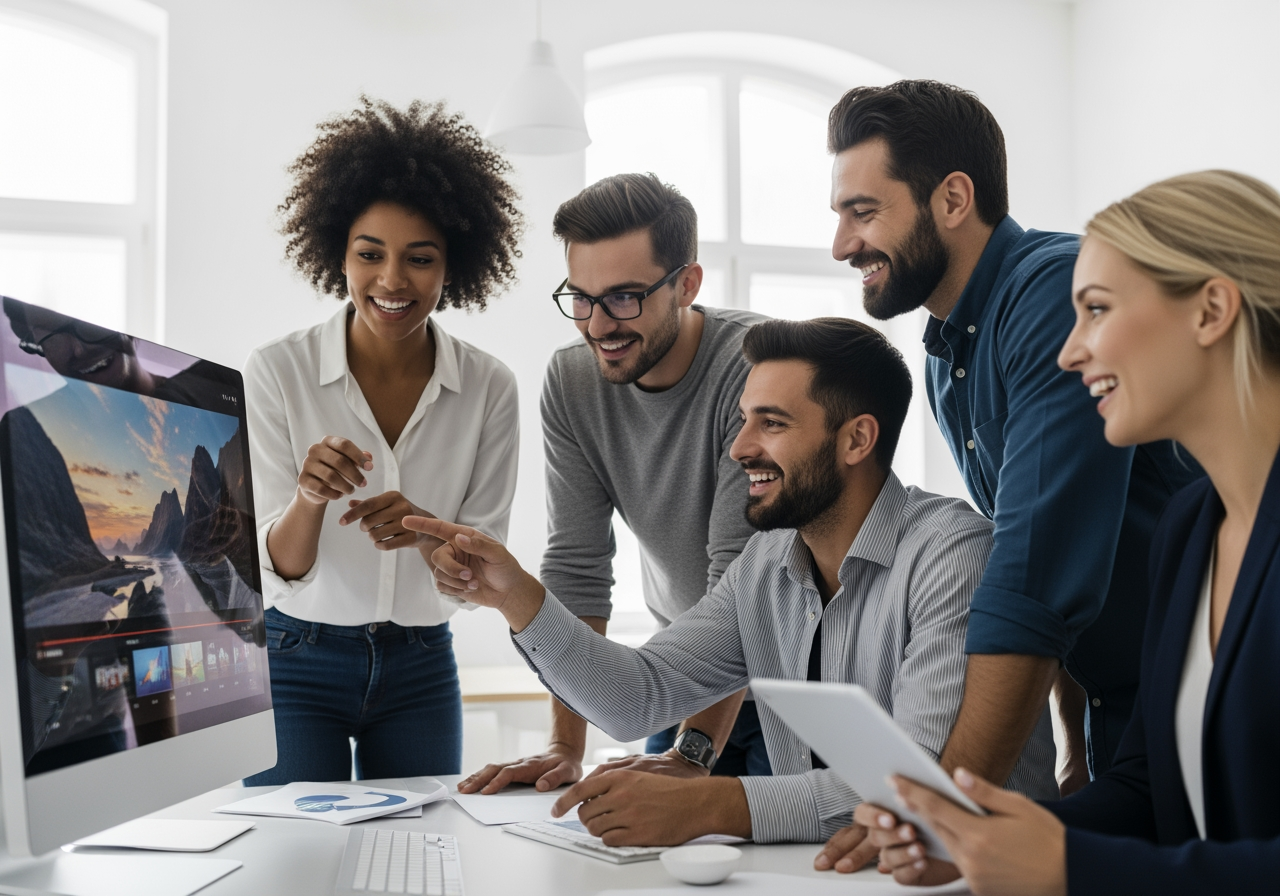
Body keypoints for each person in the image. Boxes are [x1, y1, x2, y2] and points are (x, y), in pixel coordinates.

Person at [409, 318, 1056, 847]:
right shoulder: (766, 564)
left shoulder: (954, 557)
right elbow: (635, 700)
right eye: (745, 420)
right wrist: (514, 596)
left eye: (771, 423)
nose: (739, 446)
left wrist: (710, 804)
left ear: (857, 439)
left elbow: (918, 784)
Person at [854, 170, 1280, 895]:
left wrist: (1071, 867)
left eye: (1097, 310)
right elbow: (1152, 786)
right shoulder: (1190, 531)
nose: (1069, 351)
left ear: (1211, 311)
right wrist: (989, 836)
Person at [820, 79, 1201, 831]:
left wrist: (941, 819)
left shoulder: (1054, 295)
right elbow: (1042, 553)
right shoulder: (943, 358)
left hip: (1204, 701)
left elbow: (1032, 586)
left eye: (863, 212)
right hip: (1122, 727)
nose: (841, 245)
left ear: (953, 199)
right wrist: (1072, 750)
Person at [457, 173, 771, 796]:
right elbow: (578, 566)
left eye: (625, 297)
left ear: (687, 284)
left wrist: (694, 754)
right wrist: (564, 746)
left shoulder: (758, 369)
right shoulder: (572, 382)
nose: (599, 325)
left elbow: (741, 589)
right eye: (582, 297)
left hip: (792, 676)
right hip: (687, 671)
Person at [242, 98, 523, 783]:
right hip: (294, 660)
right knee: (291, 863)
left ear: (452, 266)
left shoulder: (489, 389)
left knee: (418, 863)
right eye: (370, 254)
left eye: (419, 259)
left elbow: (476, 580)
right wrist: (309, 497)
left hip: (421, 666)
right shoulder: (278, 372)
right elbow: (274, 570)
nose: (393, 281)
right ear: (338, 252)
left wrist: (428, 536)